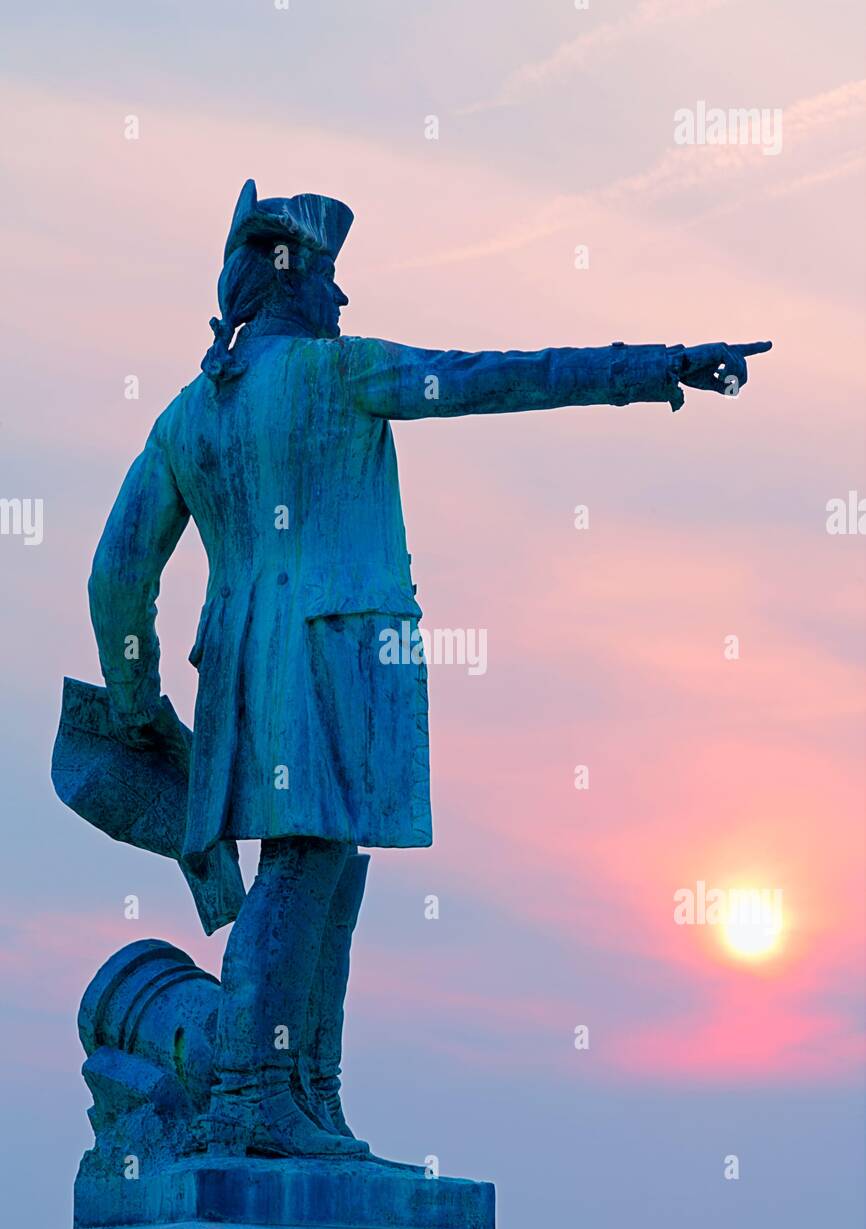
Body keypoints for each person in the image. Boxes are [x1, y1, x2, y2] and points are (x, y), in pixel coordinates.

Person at [87, 179, 772, 1157]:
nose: (342, 301)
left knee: (328, 860)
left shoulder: (191, 414)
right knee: (307, 858)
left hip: (242, 660)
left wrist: (136, 697)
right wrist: (656, 365)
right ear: (297, 279)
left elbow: (114, 578)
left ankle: (304, 1095)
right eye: (330, 278)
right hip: (335, 648)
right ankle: (250, 1094)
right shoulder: (339, 372)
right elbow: (498, 378)